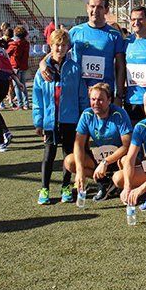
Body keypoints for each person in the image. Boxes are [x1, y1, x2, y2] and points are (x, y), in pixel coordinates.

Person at [33, 29, 89, 205]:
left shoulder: (74, 68)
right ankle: (44, 189)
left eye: (64, 45)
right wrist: (38, 121)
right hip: (50, 121)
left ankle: (66, 187)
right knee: (48, 155)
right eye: (57, 45)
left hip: (70, 120)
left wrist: (83, 118)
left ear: (68, 47)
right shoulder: (42, 71)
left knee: (68, 155)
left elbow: (82, 96)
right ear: (51, 46)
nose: (60, 48)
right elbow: (37, 98)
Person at [40, 0, 126, 107]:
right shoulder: (76, 31)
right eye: (92, 6)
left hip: (104, 93)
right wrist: (42, 63)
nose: (95, 10)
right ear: (87, 8)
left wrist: (119, 95)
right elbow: (58, 51)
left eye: (100, 7)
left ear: (106, 10)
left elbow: (120, 65)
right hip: (77, 91)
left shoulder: (115, 35)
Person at [66, 82, 132, 201]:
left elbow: (127, 146)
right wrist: (80, 171)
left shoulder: (119, 114)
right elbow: (78, 144)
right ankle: (105, 182)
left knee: (126, 161)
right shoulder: (87, 114)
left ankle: (120, 184)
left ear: (109, 100)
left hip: (118, 158)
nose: (96, 103)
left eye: (100, 100)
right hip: (99, 157)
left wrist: (105, 162)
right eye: (93, 99)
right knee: (70, 161)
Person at [7, 25, 30, 110]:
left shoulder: (14, 44)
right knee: (23, 85)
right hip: (24, 66)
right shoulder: (27, 44)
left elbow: (7, 53)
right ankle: (26, 104)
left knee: (17, 86)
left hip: (15, 67)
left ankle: (20, 104)